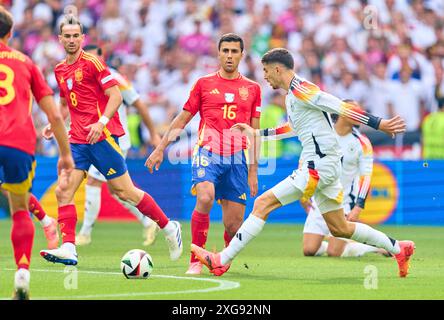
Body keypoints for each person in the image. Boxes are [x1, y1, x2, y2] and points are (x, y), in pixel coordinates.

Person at [192, 48, 415, 278]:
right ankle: (400, 248)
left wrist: (380, 123)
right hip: (325, 167)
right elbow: (292, 127)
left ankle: (221, 260)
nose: (265, 77)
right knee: (340, 228)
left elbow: (341, 107)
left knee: (262, 203)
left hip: (317, 167)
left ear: (278, 69)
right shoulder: (292, 96)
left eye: (267, 71)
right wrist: (257, 133)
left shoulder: (302, 88)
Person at [40, 15, 182, 266]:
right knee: (64, 190)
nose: (72, 40)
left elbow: (115, 96)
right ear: (60, 39)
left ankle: (169, 227)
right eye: (67, 36)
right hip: (77, 141)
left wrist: (101, 122)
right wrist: (55, 123)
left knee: (124, 191)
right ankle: (69, 247)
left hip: (102, 137)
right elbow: (65, 104)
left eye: (76, 36)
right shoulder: (60, 69)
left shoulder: (94, 63)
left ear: (82, 38)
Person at [146, 33, 262, 275]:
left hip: (237, 158)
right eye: (225, 51)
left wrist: (253, 171)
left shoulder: (252, 89)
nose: (229, 55)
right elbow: (183, 118)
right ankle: (195, 259)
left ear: (242, 55)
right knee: (206, 197)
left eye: (234, 51)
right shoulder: (204, 83)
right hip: (208, 151)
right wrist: (160, 148)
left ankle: (220, 259)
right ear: (218, 54)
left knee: (233, 224)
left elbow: (255, 132)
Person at [0, 7, 74, 299]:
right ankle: (22, 272)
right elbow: (54, 115)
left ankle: (45, 220)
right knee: (18, 208)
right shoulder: (26, 63)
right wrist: (66, 154)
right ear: (10, 33)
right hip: (18, 143)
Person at [75, 44, 161, 247]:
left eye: (95, 58)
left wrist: (153, 133)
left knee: (93, 183)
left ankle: (85, 234)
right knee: (118, 190)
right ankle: (149, 221)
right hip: (95, 139)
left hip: (114, 140)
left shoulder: (115, 79)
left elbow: (139, 104)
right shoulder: (83, 78)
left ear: (102, 58)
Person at [302, 107, 388, 258]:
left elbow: (366, 177)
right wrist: (303, 193)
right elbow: (305, 160)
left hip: (344, 202)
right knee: (309, 250)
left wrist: (358, 206)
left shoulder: (362, 143)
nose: (360, 114)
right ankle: (350, 243)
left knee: (334, 253)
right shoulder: (324, 134)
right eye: (354, 110)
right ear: (341, 113)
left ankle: (372, 247)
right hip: (319, 200)